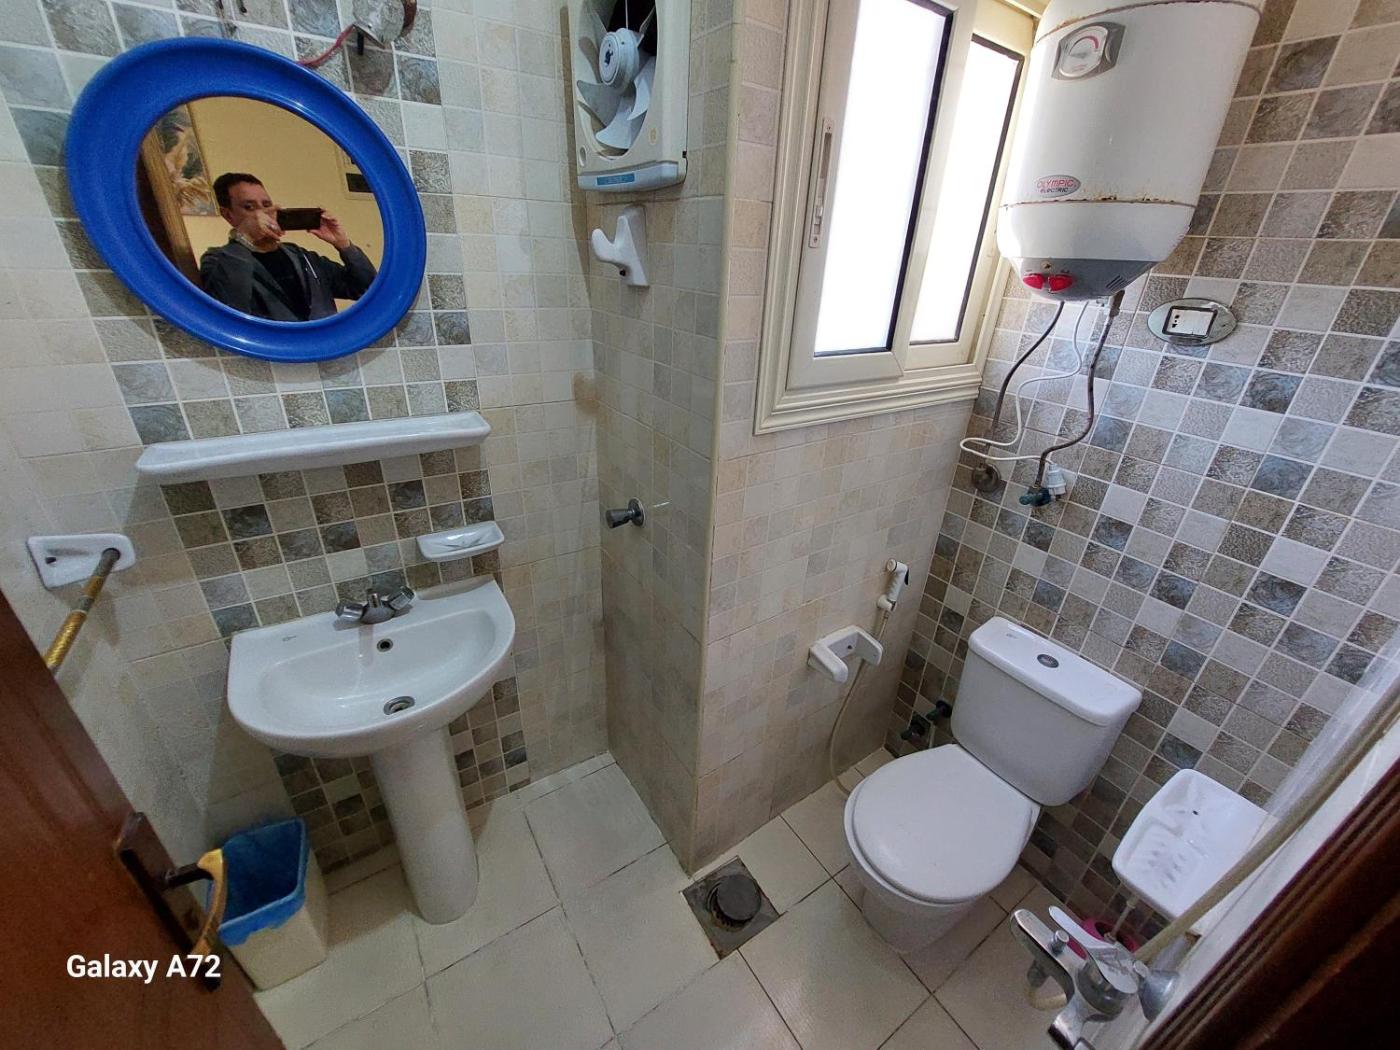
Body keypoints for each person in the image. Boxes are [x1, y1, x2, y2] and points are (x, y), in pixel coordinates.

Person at [199, 172, 377, 321]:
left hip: (326, 347)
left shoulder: (302, 256)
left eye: (266, 205)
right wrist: (245, 237)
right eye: (249, 207)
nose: (262, 213)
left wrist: (343, 244)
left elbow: (366, 289)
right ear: (228, 215)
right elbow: (228, 312)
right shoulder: (218, 260)